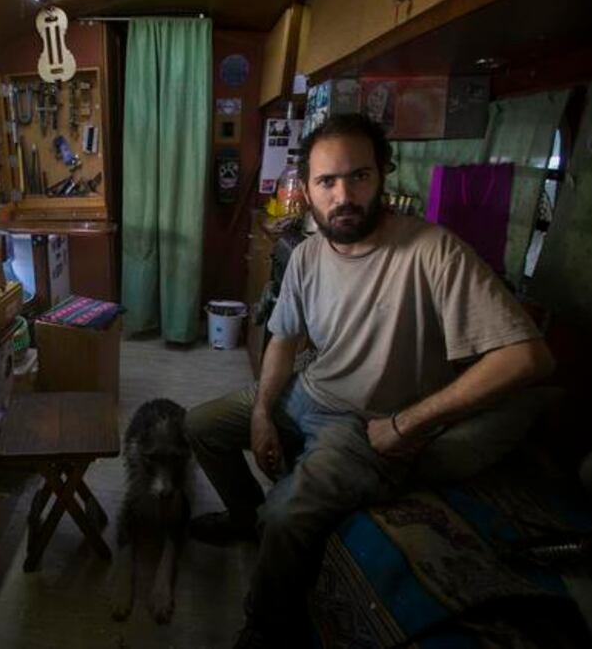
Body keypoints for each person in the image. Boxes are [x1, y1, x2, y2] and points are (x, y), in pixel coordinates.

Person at [184, 113, 555, 647]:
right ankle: (244, 517)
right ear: (306, 191)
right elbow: (284, 340)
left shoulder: (433, 250)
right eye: (326, 182)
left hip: (365, 424)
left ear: (382, 174)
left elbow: (528, 358)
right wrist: (264, 412)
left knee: (285, 518)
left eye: (357, 176)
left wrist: (406, 424)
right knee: (201, 425)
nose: (343, 196)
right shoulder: (309, 254)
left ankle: (266, 626)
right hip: (307, 391)